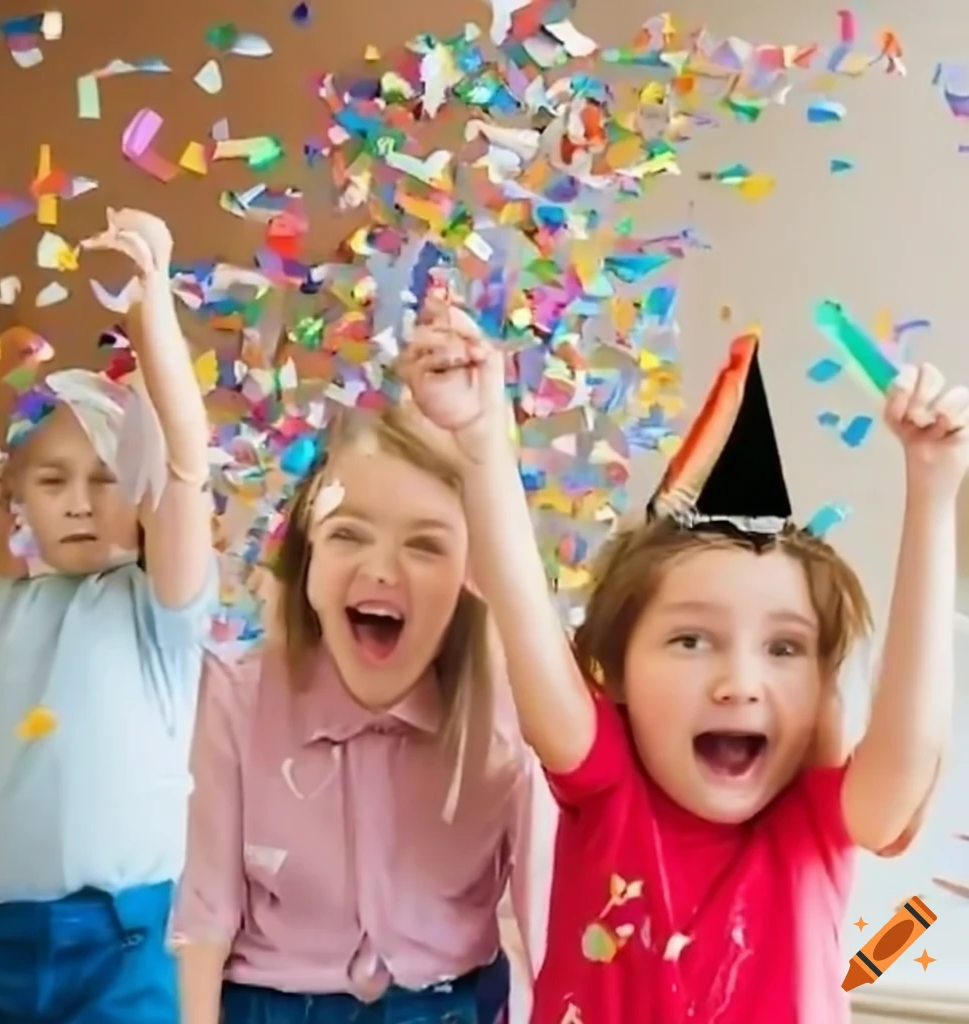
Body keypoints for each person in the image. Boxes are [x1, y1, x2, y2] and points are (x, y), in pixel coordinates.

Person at [400, 295, 966, 1023]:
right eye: (691, 640)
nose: (739, 684)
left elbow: (909, 751)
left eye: (785, 647)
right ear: (617, 673)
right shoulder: (607, 785)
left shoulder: (812, 823)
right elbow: (521, 608)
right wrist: (480, 443)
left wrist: (933, 488)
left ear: (825, 686)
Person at [174, 405, 537, 1024]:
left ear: (472, 578)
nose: (379, 569)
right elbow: (205, 911)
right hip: (273, 1003)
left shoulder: (513, 720)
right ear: (307, 560)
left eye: (425, 545)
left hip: (452, 1005)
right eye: (346, 534)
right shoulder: (237, 698)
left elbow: (555, 928)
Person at [0, 209, 215, 1024]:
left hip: (119, 953)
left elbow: (185, 463)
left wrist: (154, 311)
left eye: (105, 477)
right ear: (19, 496)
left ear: (139, 495)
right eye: (53, 480)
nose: (78, 502)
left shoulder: (160, 615)